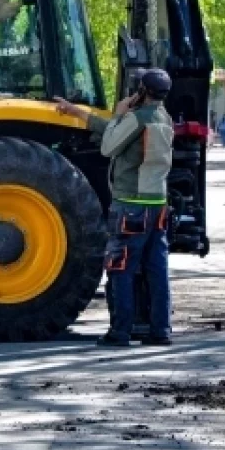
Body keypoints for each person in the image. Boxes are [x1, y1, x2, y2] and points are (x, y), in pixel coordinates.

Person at [55, 68, 175, 347]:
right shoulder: (163, 118)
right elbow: (115, 132)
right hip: (157, 204)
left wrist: (121, 113)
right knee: (157, 270)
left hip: (131, 206)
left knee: (121, 268)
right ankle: (161, 330)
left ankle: (120, 332)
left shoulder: (135, 118)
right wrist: (76, 112)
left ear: (143, 91)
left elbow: (109, 146)